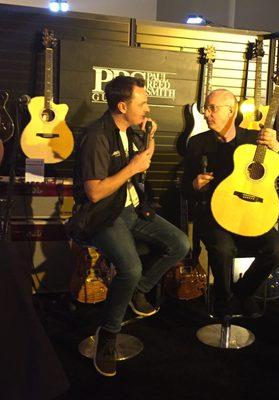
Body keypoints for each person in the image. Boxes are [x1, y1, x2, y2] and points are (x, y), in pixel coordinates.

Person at [69, 76, 190, 377]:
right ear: (122, 106)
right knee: (131, 267)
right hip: (102, 215)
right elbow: (95, 192)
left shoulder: (130, 131)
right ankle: (107, 337)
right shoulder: (97, 136)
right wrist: (131, 168)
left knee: (181, 244)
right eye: (143, 103)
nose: (148, 109)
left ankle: (138, 292)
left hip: (133, 210)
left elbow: (141, 163)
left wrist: (149, 139)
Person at [181, 89, 279, 319]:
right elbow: (185, 188)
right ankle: (223, 299)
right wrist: (195, 184)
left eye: (212, 108)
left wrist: (278, 148)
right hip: (216, 215)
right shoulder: (197, 143)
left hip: (253, 214)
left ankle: (243, 293)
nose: (206, 113)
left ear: (231, 111)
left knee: (278, 250)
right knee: (224, 249)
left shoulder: (254, 141)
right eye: (206, 108)